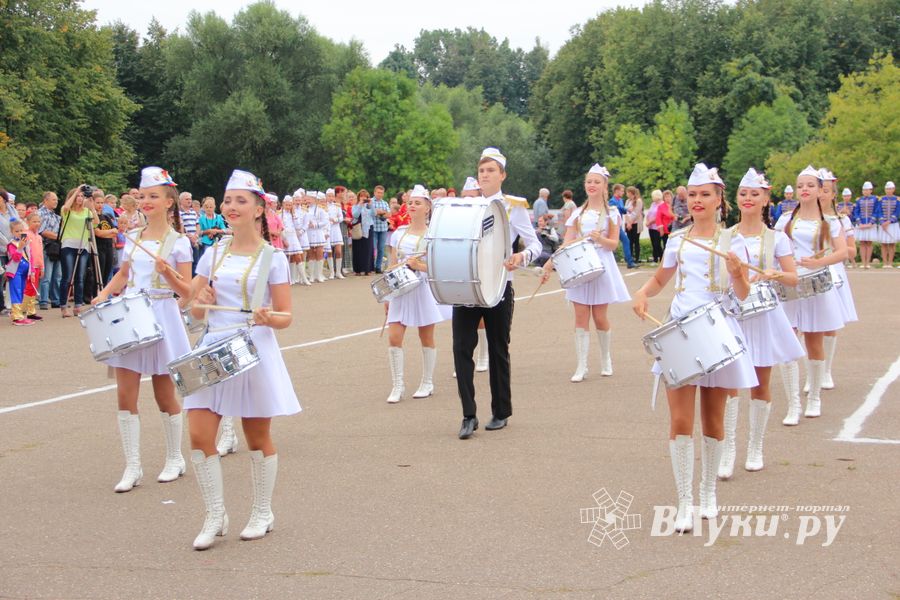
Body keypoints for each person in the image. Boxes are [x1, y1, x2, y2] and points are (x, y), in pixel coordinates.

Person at [632, 163, 756, 532]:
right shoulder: (677, 239)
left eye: (706, 195)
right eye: (693, 194)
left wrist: (737, 273)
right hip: (681, 330)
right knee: (681, 420)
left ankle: (708, 494)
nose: (697, 201)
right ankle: (684, 500)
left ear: (720, 200)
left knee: (714, 419)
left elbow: (745, 295)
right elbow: (659, 279)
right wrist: (641, 293)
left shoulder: (735, 242)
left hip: (718, 330)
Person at [185, 168, 298, 550]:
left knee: (256, 435)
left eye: (240, 201)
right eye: (228, 200)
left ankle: (262, 510)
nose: (231, 207)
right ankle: (215, 515)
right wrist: (199, 303)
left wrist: (269, 316)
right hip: (212, 347)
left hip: (252, 347)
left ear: (258, 209)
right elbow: (193, 311)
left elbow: (286, 315)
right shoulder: (212, 254)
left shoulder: (273, 258)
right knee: (200, 435)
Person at [92, 167, 193, 493]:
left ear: (168, 202)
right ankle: (132, 465)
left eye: (153, 196)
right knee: (125, 393)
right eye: (143, 195)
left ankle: (175, 457)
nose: (146, 201)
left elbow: (188, 290)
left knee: (164, 393)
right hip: (131, 314)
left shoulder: (179, 243)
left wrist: (169, 274)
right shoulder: (133, 237)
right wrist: (103, 295)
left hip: (162, 314)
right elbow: (123, 275)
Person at [718, 168, 804, 479]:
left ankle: (755, 447)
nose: (749, 199)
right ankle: (727, 450)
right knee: (729, 386)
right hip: (733, 314)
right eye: (743, 194)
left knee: (759, 384)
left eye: (755, 194)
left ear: (766, 198)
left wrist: (775, 274)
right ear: (736, 199)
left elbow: (794, 278)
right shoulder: (724, 236)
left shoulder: (776, 238)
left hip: (764, 314)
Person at [453, 148, 542, 440]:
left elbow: (535, 245)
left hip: (499, 285)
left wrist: (521, 257)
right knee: (461, 349)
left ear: (502, 175)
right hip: (468, 286)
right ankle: (468, 414)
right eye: (481, 171)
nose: (485, 175)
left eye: (491, 170)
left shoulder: (513, 207)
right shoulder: (468, 206)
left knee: (498, 348)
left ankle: (501, 411)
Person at [541, 163, 630, 382]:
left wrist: (601, 239)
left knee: (600, 316)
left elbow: (614, 244)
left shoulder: (612, 214)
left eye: (596, 182)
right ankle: (581, 365)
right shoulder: (578, 214)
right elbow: (567, 241)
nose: (592, 185)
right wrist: (550, 262)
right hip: (579, 264)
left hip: (601, 265)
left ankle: (606, 358)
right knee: (580, 316)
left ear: (604, 185)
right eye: (589, 181)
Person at [774, 166, 848, 423]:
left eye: (810, 185)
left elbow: (843, 252)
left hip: (816, 285)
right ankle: (793, 403)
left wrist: (819, 262)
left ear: (819, 190)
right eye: (800, 185)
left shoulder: (830, 222)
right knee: (788, 342)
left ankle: (814, 396)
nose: (804, 189)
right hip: (791, 284)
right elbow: (774, 249)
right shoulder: (785, 221)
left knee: (814, 343)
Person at [383, 185, 450, 402]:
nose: (412, 206)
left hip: (422, 289)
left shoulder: (434, 235)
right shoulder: (399, 234)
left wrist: (418, 266)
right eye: (410, 202)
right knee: (394, 337)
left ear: (427, 208)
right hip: (401, 290)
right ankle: (397, 385)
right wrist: (387, 293)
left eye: (417, 203)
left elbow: (440, 266)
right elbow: (391, 264)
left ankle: (427, 382)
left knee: (426, 336)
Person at [811, 169, 857, 392]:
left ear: (832, 194)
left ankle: (826, 370)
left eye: (826, 191)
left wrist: (830, 251)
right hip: (810, 272)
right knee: (807, 324)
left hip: (832, 272)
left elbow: (852, 250)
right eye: (819, 190)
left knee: (829, 324)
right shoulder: (801, 220)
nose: (821, 195)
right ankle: (812, 373)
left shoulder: (841, 220)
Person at [58, 185, 100, 317]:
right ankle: (63, 305)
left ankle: (78, 305)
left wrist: (92, 207)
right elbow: (65, 207)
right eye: (77, 196)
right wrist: (77, 190)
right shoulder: (67, 211)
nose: (80, 198)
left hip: (83, 245)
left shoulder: (86, 212)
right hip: (69, 244)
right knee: (67, 276)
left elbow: (96, 223)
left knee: (80, 277)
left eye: (82, 196)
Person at [5, 220, 35, 325]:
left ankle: (20, 314)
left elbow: (30, 258)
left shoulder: (27, 243)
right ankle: (17, 317)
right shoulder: (11, 244)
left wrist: (32, 272)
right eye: (16, 231)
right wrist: (20, 247)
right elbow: (16, 258)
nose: (19, 232)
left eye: (21, 230)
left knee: (22, 291)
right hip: (15, 272)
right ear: (12, 232)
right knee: (16, 292)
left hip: (24, 272)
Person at [37, 191, 62, 310]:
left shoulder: (55, 215)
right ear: (46, 200)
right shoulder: (40, 213)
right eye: (53, 199)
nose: (56, 202)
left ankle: (56, 300)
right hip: (46, 246)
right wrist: (59, 236)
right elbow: (42, 231)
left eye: (56, 200)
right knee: (46, 275)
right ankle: (43, 300)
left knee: (57, 275)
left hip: (57, 247)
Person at [305, 190, 329, 282]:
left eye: (310, 199)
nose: (308, 201)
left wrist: (315, 225)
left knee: (319, 253)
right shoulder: (305, 209)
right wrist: (307, 225)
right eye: (307, 199)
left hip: (318, 233)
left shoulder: (321, 210)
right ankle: (312, 275)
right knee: (311, 254)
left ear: (315, 199)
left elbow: (325, 221)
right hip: (309, 233)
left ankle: (319, 275)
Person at [351, 189, 375, 275]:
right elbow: (355, 215)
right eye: (362, 196)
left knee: (368, 249)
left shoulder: (369, 206)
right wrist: (360, 205)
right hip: (358, 228)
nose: (364, 198)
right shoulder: (355, 206)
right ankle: (357, 270)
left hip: (368, 228)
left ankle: (367, 269)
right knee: (357, 249)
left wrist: (371, 205)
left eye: (365, 197)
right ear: (359, 197)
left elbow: (374, 214)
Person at [610, 184, 635, 267]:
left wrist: (626, 210)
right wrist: (627, 209)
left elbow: (622, 211)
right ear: (616, 191)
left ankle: (628, 262)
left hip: (618, 225)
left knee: (622, 242)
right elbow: (617, 209)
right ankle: (629, 262)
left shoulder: (620, 200)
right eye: (622, 191)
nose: (623, 193)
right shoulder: (612, 201)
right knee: (624, 241)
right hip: (614, 226)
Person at [179, 191, 201, 274]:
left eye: (190, 199)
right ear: (181, 201)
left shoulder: (193, 212)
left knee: (196, 262)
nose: (189, 201)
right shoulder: (179, 212)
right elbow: (181, 228)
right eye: (187, 199)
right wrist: (189, 237)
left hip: (195, 240)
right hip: (186, 241)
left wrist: (196, 236)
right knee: (187, 262)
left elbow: (198, 225)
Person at [326, 188, 345, 279]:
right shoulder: (323, 206)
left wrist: (336, 220)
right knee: (329, 251)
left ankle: (338, 271)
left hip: (336, 229)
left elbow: (341, 217)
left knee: (338, 251)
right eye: (329, 196)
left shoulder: (337, 206)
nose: (330, 198)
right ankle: (331, 272)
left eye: (332, 196)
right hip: (327, 229)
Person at [371, 185, 391, 274]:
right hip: (373, 228)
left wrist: (379, 212)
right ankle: (370, 266)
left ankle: (378, 267)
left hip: (383, 228)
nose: (380, 194)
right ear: (374, 192)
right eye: (378, 192)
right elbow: (371, 212)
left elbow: (389, 215)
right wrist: (381, 212)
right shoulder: (370, 202)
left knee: (381, 249)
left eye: (381, 193)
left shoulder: (385, 203)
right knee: (373, 248)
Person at [879, 181, 897, 268]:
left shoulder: (897, 199)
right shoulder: (881, 199)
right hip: (883, 224)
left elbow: (898, 212)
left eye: (890, 189)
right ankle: (884, 262)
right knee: (884, 243)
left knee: (892, 243)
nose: (888, 190)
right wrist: (882, 222)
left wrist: (889, 221)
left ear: (893, 189)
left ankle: (890, 262)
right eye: (887, 189)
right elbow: (878, 211)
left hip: (893, 224)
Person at [624, 186, 644, 264]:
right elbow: (625, 212)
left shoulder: (638, 201)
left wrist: (630, 222)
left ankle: (637, 258)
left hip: (635, 223)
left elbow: (636, 213)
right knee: (629, 241)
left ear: (630, 193)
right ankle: (630, 257)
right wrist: (627, 222)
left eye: (627, 192)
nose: (626, 194)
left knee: (636, 241)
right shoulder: (627, 201)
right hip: (628, 223)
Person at [645, 190, 666, 262]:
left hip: (658, 227)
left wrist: (650, 222)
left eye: (653, 196)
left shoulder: (662, 204)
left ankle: (661, 257)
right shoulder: (653, 204)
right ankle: (655, 258)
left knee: (657, 243)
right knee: (653, 243)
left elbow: (658, 216)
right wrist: (647, 221)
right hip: (651, 227)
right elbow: (649, 213)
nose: (652, 198)